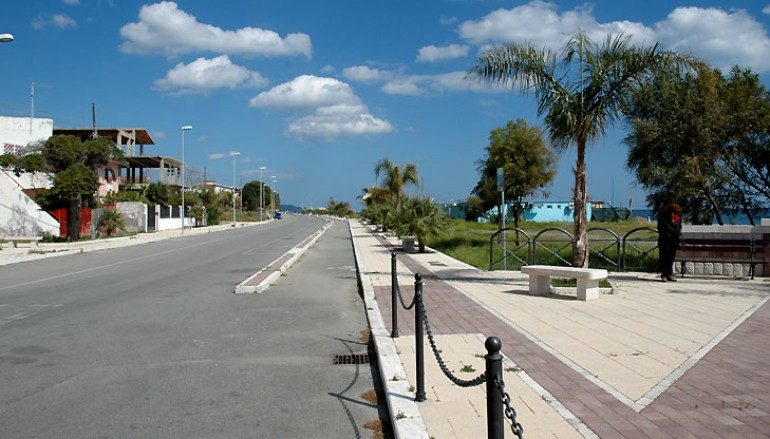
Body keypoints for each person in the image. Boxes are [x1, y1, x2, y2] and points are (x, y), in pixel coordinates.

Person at [657, 203, 683, 282]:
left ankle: (669, 274)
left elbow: (679, 227)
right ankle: (664, 275)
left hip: (673, 240)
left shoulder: (677, 217)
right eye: (673, 212)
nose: (674, 214)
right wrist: (668, 234)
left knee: (671, 258)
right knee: (664, 257)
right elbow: (660, 228)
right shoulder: (663, 216)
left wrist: (677, 235)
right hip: (664, 240)